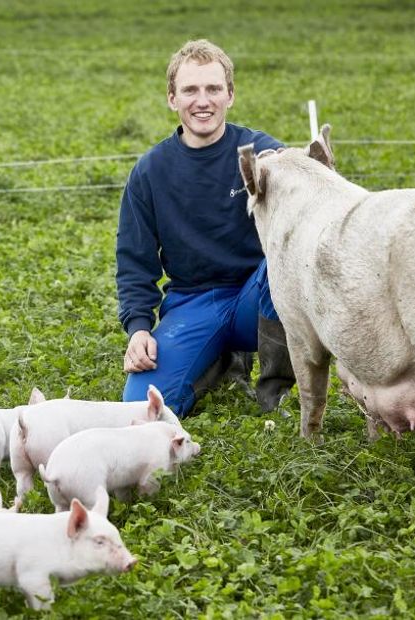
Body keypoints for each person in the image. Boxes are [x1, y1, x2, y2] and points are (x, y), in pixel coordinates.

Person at [115, 39, 295, 417]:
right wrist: (139, 329)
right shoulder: (150, 171)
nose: (203, 101)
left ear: (230, 95)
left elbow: (312, 210)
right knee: (140, 409)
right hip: (193, 301)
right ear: (172, 98)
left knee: (287, 259)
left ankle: (276, 393)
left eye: (213, 88)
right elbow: (135, 260)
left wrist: (298, 169)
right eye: (190, 90)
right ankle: (220, 359)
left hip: (258, 299)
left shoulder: (261, 153)